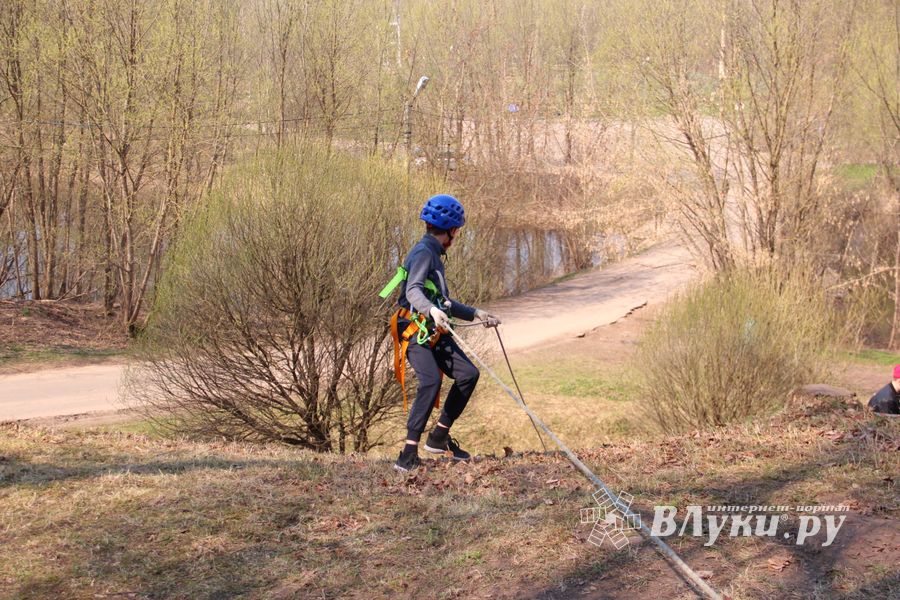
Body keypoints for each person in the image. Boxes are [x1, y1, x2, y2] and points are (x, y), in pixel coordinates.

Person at [381, 194, 501, 472]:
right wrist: (430, 310)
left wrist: (477, 313)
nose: (456, 236)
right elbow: (413, 290)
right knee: (431, 381)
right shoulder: (424, 253)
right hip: (415, 330)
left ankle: (438, 437)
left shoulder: (433, 253)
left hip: (433, 328)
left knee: (468, 374)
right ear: (452, 230)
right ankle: (407, 455)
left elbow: (442, 302)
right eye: (457, 231)